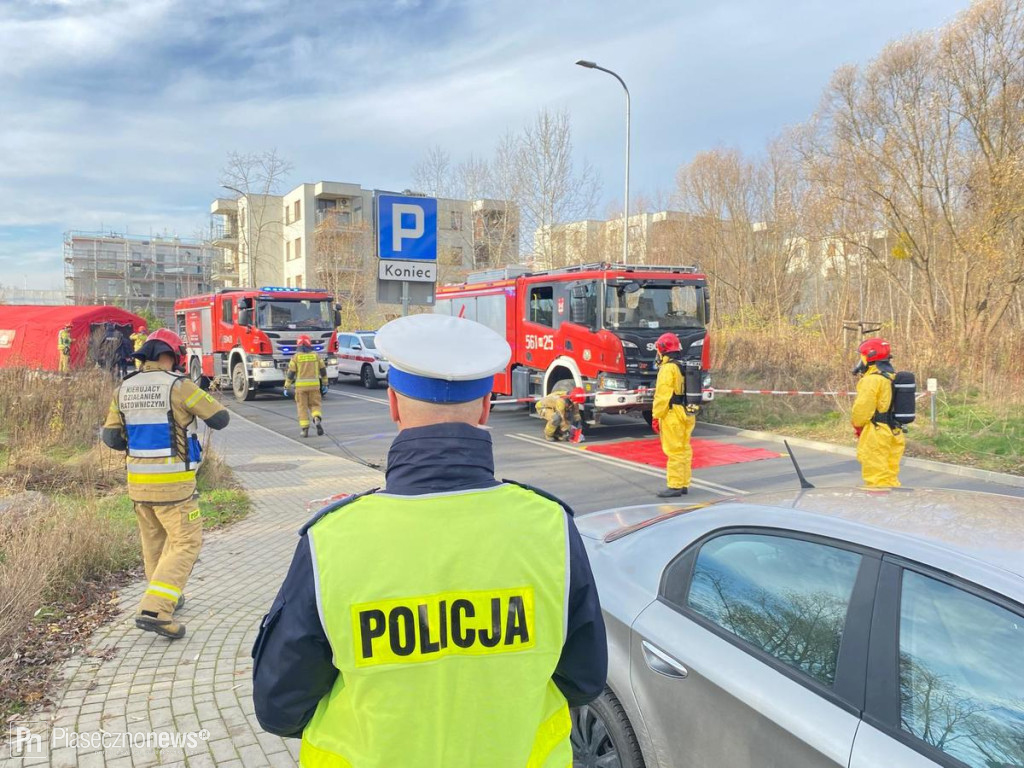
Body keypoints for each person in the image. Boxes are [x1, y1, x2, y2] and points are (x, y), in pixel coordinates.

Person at [252, 313, 606, 767]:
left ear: (394, 404)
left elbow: (279, 708)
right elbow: (585, 680)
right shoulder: (551, 528)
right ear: (485, 409)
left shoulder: (332, 540)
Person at [101, 328, 230, 639]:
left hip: (138, 484)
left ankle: (166, 594)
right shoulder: (180, 386)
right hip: (175, 486)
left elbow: (111, 438)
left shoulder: (124, 388)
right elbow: (220, 418)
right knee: (186, 543)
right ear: (171, 356)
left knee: (155, 543)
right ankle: (155, 609)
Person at [850, 337, 906, 487]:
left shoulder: (871, 380)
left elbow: (862, 410)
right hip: (894, 432)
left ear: (869, 357)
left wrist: (857, 425)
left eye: (861, 357)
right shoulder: (891, 377)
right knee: (890, 476)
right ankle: (890, 505)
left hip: (877, 433)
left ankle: (877, 506)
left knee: (876, 478)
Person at [651, 331, 697, 498]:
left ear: (663, 349)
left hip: (672, 414)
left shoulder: (667, 369)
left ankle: (675, 485)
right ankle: (684, 483)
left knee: (674, 450)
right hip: (686, 412)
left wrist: (656, 416)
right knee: (684, 449)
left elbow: (662, 395)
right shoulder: (682, 365)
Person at [283, 334, 328, 438]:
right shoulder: (316, 356)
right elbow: (323, 370)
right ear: (309, 343)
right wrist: (325, 383)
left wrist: (286, 386)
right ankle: (316, 418)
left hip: (301, 388)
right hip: (314, 386)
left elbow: (291, 373)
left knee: (302, 407)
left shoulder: (296, 357)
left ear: (298, 344)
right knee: (315, 405)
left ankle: (304, 430)